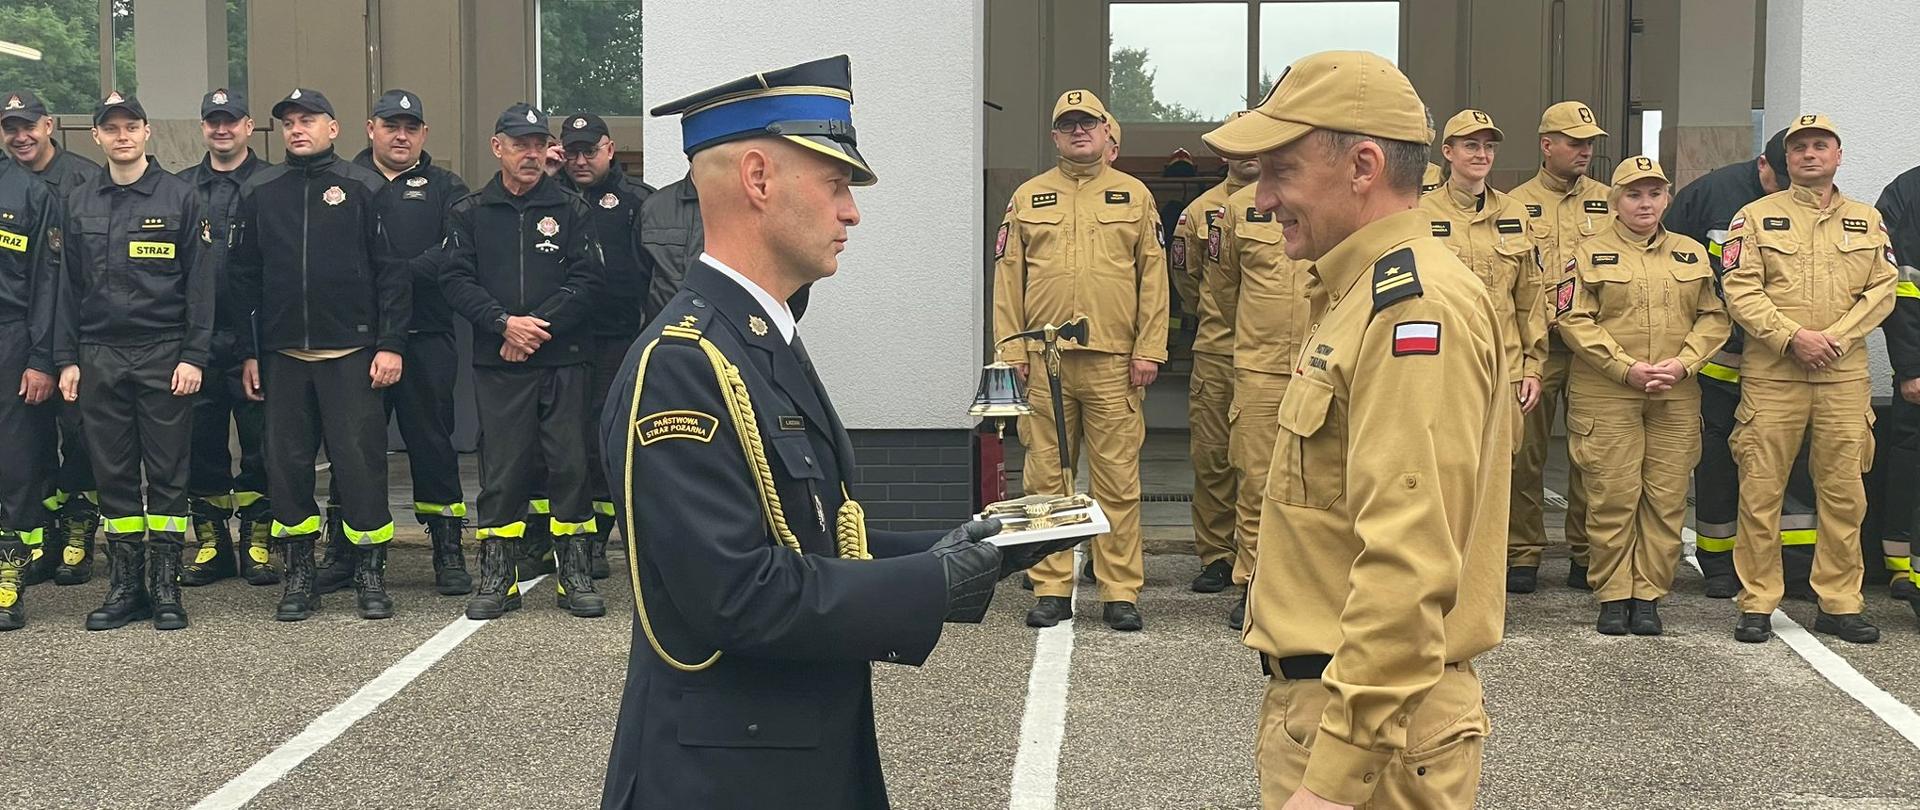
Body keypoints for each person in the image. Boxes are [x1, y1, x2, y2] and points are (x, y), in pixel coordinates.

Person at [599, 54, 1060, 809]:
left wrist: (970, 545)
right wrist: (932, 585)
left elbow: (811, 539)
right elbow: (735, 594)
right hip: (722, 781)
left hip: (787, 755)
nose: (852, 212)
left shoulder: (758, 337)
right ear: (758, 179)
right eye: (838, 184)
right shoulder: (684, 362)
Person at [1203, 50, 1508, 810]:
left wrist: (1335, 781)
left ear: (1364, 165)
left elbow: (1406, 562)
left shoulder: (1413, 308)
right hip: (1344, 719)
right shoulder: (1355, 291)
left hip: (1373, 744)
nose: (1263, 199)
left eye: (1280, 172)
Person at [229, 88, 410, 622]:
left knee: (361, 468)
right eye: (288, 123)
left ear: (335, 128)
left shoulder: (365, 187)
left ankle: (369, 574)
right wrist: (250, 352)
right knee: (286, 470)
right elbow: (242, 281)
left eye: (308, 120)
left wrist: (391, 344)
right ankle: (300, 575)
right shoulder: (261, 190)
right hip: (284, 356)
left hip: (352, 352)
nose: (297, 129)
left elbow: (394, 274)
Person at [994, 88, 1167, 632]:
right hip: (1044, 361)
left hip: (1115, 361)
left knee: (1117, 478)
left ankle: (1119, 591)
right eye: (1067, 125)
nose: (1078, 131)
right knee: (1045, 478)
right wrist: (1011, 349)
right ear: (1055, 137)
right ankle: (1050, 586)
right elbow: (1008, 279)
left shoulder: (1135, 196)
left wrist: (1149, 348)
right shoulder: (1027, 197)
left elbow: (1154, 279)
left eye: (1087, 123)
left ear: (1104, 130)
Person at [1720, 114, 1894, 645]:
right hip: (1774, 377)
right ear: (1784, 160)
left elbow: (1882, 290)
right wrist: (1792, 336)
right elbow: (1739, 288)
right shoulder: (1752, 217)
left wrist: (1835, 338)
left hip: (1843, 379)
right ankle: (1757, 602)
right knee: (1760, 491)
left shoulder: (1867, 220)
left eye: (1821, 146)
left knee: (1845, 494)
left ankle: (1840, 602)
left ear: (1838, 156)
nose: (1810, 155)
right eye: (1799, 148)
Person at [54, 92, 213, 631]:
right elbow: (64, 290)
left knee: (168, 471)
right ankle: (126, 587)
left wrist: (194, 355)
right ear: (95, 137)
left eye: (131, 127)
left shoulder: (182, 197)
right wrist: (66, 358)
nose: (122, 136)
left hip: (164, 352)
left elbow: (201, 288)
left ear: (147, 132)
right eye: (111, 129)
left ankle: (165, 586)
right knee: (114, 473)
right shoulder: (77, 202)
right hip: (98, 354)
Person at [440, 103, 604, 620]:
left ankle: (573, 574)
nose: (531, 153)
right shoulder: (469, 212)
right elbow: (454, 280)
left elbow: (588, 282)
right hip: (499, 363)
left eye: (538, 144)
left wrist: (533, 327)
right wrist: (502, 324)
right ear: (498, 148)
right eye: (520, 144)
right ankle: (497, 576)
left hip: (564, 360)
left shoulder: (573, 210)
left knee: (570, 465)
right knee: (504, 471)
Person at [1557, 157, 1730, 635]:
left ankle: (1649, 593)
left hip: (1675, 391)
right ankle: (1613, 594)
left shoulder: (1691, 254)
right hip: (1607, 391)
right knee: (1612, 495)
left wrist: (1682, 364)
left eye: (1654, 193)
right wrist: (1625, 367)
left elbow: (1714, 316)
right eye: (1634, 194)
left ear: (1667, 198)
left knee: (1666, 496)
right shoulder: (1586, 253)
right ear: (1615, 201)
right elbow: (1572, 318)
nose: (1645, 203)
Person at [1662, 127, 1818, 598]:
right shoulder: (1710, 196)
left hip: (1785, 366)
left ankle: (1792, 566)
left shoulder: (1811, 202)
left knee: (1789, 466)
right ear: (1763, 165)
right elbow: (1669, 268)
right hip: (1720, 366)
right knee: (1718, 464)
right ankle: (1718, 561)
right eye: (1779, 181)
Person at [347, 88, 473, 596]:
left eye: (411, 127)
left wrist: (391, 275)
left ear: (423, 134)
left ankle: (447, 549)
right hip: (356, 342)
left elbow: (457, 250)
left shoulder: (446, 186)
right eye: (391, 125)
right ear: (370, 128)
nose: (401, 135)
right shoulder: (345, 180)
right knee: (354, 448)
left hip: (426, 336)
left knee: (433, 444)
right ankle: (347, 550)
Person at [1422, 113, 1546, 576]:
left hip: (1504, 368)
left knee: (1500, 475)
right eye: (1469, 145)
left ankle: (1485, 575)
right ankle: (1441, 570)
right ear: (1447, 153)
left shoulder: (1514, 214)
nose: (1480, 154)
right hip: (1441, 367)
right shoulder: (1421, 213)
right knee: (1443, 471)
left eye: (1487, 146)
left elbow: (1531, 298)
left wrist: (1533, 366)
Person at [1508, 100, 1611, 593]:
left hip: (1592, 348)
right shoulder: (1512, 204)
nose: (1585, 151)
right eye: (1575, 142)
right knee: (1524, 453)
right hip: (1538, 348)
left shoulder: (1612, 202)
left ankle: (1585, 552)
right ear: (1547, 145)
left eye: (1590, 142)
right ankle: (1522, 552)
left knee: (1589, 455)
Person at [177, 87, 278, 588]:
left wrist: (257, 345)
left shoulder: (272, 184)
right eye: (213, 122)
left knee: (262, 444)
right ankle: (213, 545)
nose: (222, 129)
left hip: (254, 340)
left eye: (231, 121)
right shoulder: (178, 189)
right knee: (201, 444)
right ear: (203, 128)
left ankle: (258, 542)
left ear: (248, 124)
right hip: (196, 343)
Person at [4, 89, 103, 587]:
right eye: (10, 128)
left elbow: (63, 276)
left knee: (80, 433)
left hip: (79, 331)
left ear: (49, 126)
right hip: (25, 336)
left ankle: (79, 531)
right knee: (29, 442)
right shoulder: (9, 185)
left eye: (28, 126)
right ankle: (39, 538)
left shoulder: (84, 177)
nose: (20, 136)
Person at [1212, 156, 1314, 631]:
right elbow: (1221, 286)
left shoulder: (1323, 197)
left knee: (1320, 481)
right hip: (1259, 366)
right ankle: (1252, 583)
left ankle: (1310, 586)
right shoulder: (1236, 209)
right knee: (1255, 481)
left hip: (1321, 364)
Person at [560, 111, 654, 579]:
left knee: (601, 439)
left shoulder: (639, 202)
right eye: (571, 151)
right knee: (557, 439)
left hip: (617, 340)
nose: (580, 160)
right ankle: (553, 535)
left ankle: (597, 538)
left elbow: (656, 274)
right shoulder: (548, 197)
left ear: (610, 149)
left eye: (589, 150)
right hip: (558, 340)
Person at [1170, 114, 1255, 608]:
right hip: (1219, 351)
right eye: (1237, 144)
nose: (1247, 152)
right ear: (1224, 152)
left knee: (1266, 464)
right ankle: (1217, 554)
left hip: (1276, 355)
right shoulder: (1200, 212)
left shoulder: (1292, 204)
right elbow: (1187, 281)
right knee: (1214, 457)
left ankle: (1259, 554)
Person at [0, 148, 64, 630]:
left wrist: (42, 358)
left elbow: (48, 283)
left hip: (12, 337)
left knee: (15, 460)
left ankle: (9, 574)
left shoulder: (30, 192)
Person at [1874, 160, 1920, 621]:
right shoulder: (1907, 191)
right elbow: (1898, 290)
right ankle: (1901, 568)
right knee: (1912, 459)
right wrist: (1910, 367)